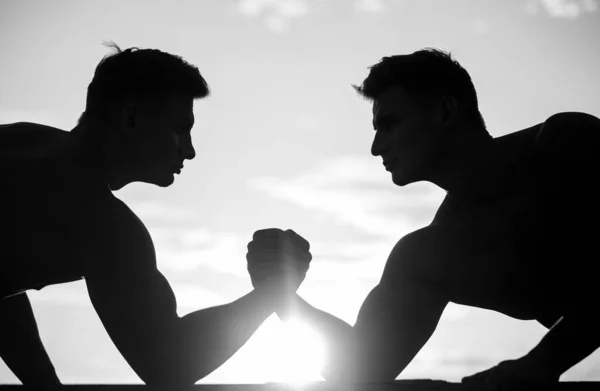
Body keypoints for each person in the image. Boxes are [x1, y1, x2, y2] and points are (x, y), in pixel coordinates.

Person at [246, 48, 600, 388]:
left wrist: (542, 362)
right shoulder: (430, 254)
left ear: (445, 112)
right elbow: (362, 367)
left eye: (390, 124)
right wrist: (281, 296)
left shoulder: (568, 142)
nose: (376, 147)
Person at [0, 42, 310, 386]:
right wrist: (272, 293)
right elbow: (169, 364)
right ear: (130, 118)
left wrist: (42, 382)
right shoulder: (105, 226)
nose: (190, 151)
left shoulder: (19, 140)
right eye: (181, 128)